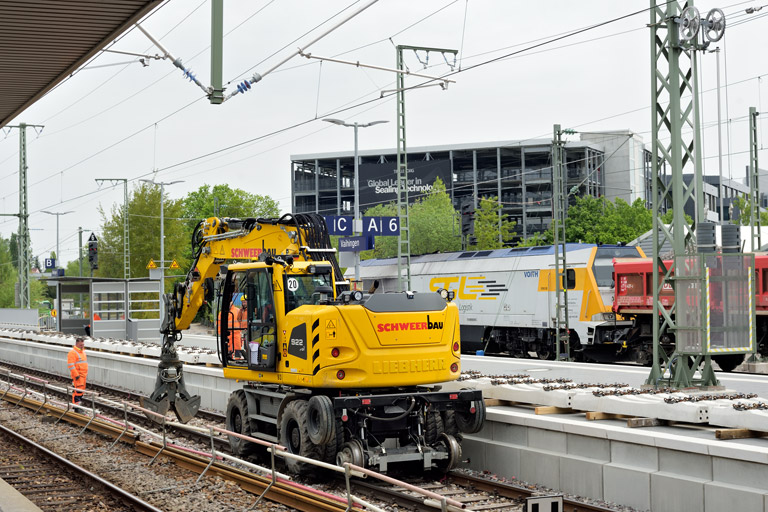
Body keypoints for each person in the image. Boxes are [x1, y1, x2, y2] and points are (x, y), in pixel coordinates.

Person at [67, 337, 88, 411]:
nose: (82, 346)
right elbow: (71, 365)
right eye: (80, 345)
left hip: (83, 375)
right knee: (77, 391)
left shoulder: (83, 352)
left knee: (81, 391)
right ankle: (76, 407)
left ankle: (78, 405)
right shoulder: (72, 353)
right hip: (78, 376)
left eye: (83, 344)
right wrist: (76, 375)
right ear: (76, 344)